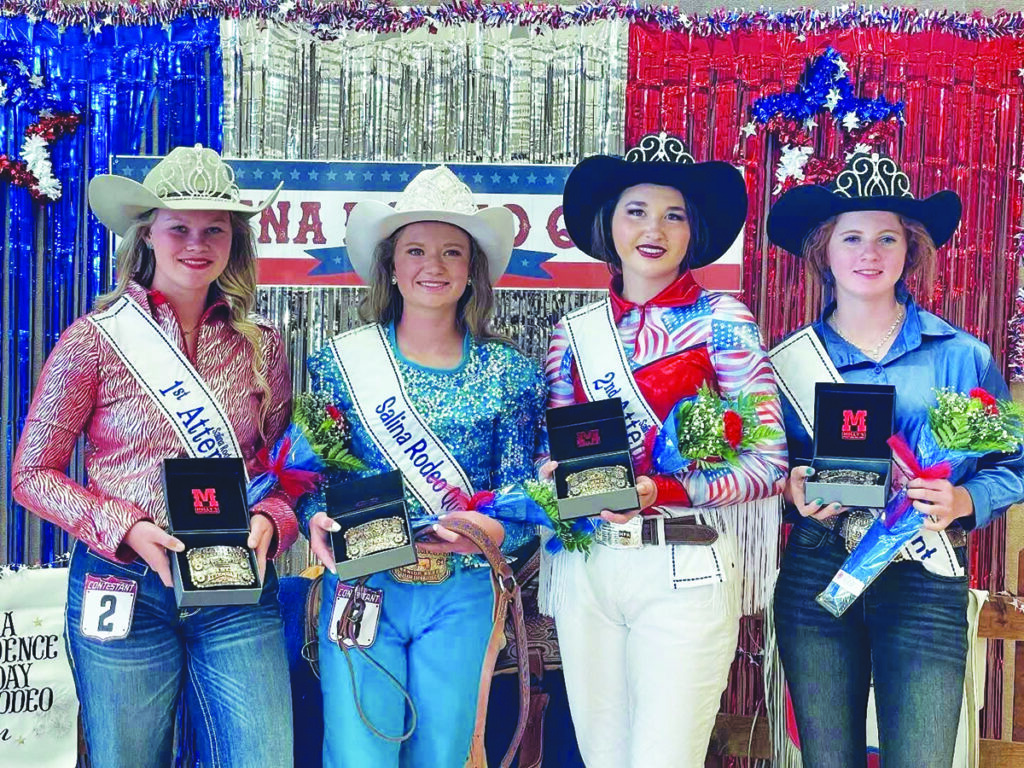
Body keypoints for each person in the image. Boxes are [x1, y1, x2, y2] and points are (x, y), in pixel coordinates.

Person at [12, 145, 297, 768]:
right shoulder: (94, 339)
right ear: (148, 236)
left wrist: (272, 518)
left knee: (265, 756)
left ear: (234, 241)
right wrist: (127, 527)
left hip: (234, 583)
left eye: (213, 229)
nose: (196, 243)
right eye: (179, 227)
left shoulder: (265, 346)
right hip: (124, 583)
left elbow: (282, 470)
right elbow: (31, 475)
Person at [767, 151, 1024, 767]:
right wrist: (792, 484)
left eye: (888, 237)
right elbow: (767, 465)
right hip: (820, 566)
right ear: (823, 251)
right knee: (828, 759)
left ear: (910, 251)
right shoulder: (786, 362)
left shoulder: (960, 355)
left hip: (925, 572)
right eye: (851, 237)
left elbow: (1011, 465)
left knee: (922, 757)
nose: (869, 252)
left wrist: (965, 499)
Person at [541, 132, 787, 767]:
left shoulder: (725, 321)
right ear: (608, 225)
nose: (654, 229)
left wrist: (662, 489)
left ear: (693, 230)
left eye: (673, 214)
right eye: (636, 211)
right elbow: (553, 459)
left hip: (685, 559)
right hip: (589, 568)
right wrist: (560, 482)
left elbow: (768, 465)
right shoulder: (572, 336)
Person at [298, 165, 546, 768]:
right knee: (359, 755)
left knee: (446, 755)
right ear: (390, 264)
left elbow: (522, 497)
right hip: (362, 582)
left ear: (471, 271)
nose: (432, 266)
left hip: (462, 588)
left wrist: (496, 530)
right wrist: (315, 518)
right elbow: (309, 478)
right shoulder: (339, 362)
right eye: (415, 249)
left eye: (451, 252)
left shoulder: (511, 374)